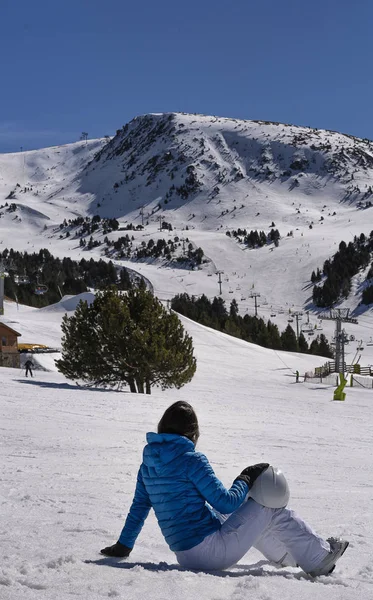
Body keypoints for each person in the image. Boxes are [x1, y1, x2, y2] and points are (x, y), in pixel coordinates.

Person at [101, 401, 348, 576]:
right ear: (191, 433)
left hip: (185, 554)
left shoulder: (149, 466)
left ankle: (288, 557)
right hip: (211, 553)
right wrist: (246, 478)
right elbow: (224, 502)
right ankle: (319, 558)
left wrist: (124, 546)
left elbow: (139, 508)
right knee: (266, 506)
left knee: (244, 511)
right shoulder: (191, 460)